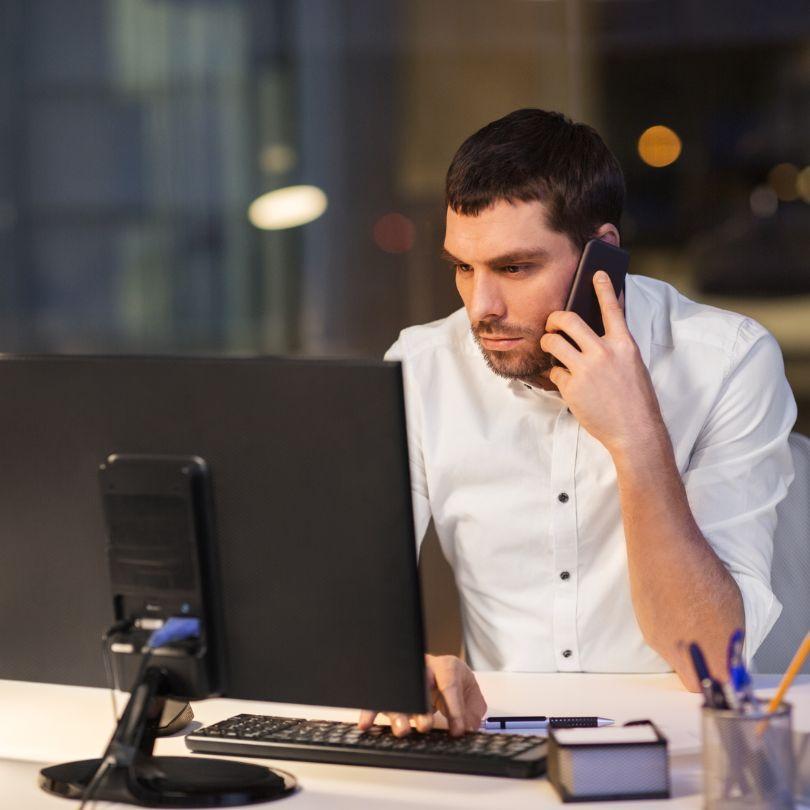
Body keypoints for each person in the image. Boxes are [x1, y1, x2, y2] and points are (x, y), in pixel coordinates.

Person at [358, 109, 797, 738]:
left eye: (514, 268)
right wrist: (403, 669)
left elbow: (712, 665)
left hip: (683, 737)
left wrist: (636, 438)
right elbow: (353, 590)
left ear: (603, 255)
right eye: (462, 267)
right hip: (493, 739)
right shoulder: (423, 366)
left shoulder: (727, 362)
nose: (481, 308)